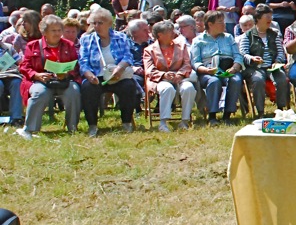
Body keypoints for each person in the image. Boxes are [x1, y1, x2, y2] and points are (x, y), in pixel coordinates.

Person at [17, 15, 81, 139]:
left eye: (59, 30)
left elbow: (76, 66)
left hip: (63, 80)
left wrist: (66, 73)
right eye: (53, 30)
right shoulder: (33, 45)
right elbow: (24, 67)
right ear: (44, 32)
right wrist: (36, 75)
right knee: (40, 93)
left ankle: (72, 127)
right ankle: (30, 129)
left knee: (74, 91)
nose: (57, 34)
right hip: (40, 81)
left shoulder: (69, 45)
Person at [78, 8, 137, 136]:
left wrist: (120, 69)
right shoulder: (87, 40)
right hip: (97, 76)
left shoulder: (120, 37)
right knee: (87, 88)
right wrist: (89, 75)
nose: (97, 26)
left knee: (129, 86)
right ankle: (92, 125)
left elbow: (128, 56)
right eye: (94, 23)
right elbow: (83, 62)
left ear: (109, 23)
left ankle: (126, 122)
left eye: (100, 23)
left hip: (118, 76)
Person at [190, 10, 244, 125]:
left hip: (229, 68)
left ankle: (227, 115)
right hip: (208, 70)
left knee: (236, 80)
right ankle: (212, 115)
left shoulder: (228, 37)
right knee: (214, 81)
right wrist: (206, 70)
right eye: (220, 22)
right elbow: (195, 62)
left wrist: (235, 67)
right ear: (210, 24)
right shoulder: (198, 40)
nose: (224, 24)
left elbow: (238, 55)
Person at [143, 20, 197, 131]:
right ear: (160, 35)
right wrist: (164, 75)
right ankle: (163, 123)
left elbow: (187, 64)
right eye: (170, 31)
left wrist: (180, 74)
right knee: (167, 89)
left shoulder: (181, 47)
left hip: (180, 77)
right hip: (159, 80)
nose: (174, 33)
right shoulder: (149, 50)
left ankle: (185, 121)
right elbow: (149, 70)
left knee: (189, 88)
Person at [239, 4, 288, 116]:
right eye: (267, 17)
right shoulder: (248, 35)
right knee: (258, 80)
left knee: (282, 79)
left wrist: (278, 61)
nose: (270, 20)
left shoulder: (274, 34)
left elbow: (280, 51)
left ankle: (280, 109)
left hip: (272, 67)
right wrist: (252, 58)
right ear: (258, 19)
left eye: (271, 17)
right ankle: (260, 111)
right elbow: (243, 53)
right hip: (255, 68)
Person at [0, 36, 23, 126]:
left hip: (11, 74)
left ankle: (16, 118)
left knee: (17, 83)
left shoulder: (8, 47)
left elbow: (20, 62)